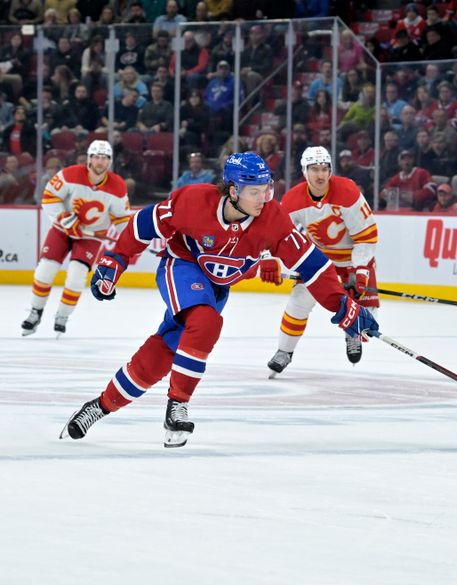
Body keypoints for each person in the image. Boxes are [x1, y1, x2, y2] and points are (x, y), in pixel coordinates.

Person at [59, 152, 378, 447]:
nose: (264, 197)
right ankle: (178, 407)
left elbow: (314, 266)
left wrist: (343, 306)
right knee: (205, 321)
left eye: (266, 188)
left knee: (164, 351)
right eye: (255, 190)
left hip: (215, 289)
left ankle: (98, 407)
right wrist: (115, 260)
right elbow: (145, 224)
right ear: (233, 190)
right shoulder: (193, 201)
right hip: (181, 267)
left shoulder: (273, 219)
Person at [267, 146, 379, 376]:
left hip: (353, 257)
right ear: (304, 171)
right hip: (319, 258)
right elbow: (276, 234)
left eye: (324, 169)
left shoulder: (347, 191)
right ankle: (284, 351)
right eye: (314, 169)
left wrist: (360, 273)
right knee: (299, 301)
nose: (320, 175)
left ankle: (353, 335)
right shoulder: (293, 199)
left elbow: (366, 236)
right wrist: (272, 261)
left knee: (363, 315)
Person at [21, 140, 130, 337]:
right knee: (45, 270)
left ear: (110, 162)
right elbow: (49, 197)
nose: (100, 162)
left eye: (104, 158)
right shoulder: (69, 174)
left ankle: (62, 316)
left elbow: (122, 218)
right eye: (96, 157)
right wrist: (65, 219)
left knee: (76, 277)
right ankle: (35, 311)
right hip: (61, 230)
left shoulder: (118, 186)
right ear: (89, 158)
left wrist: (130, 238)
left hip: (90, 236)